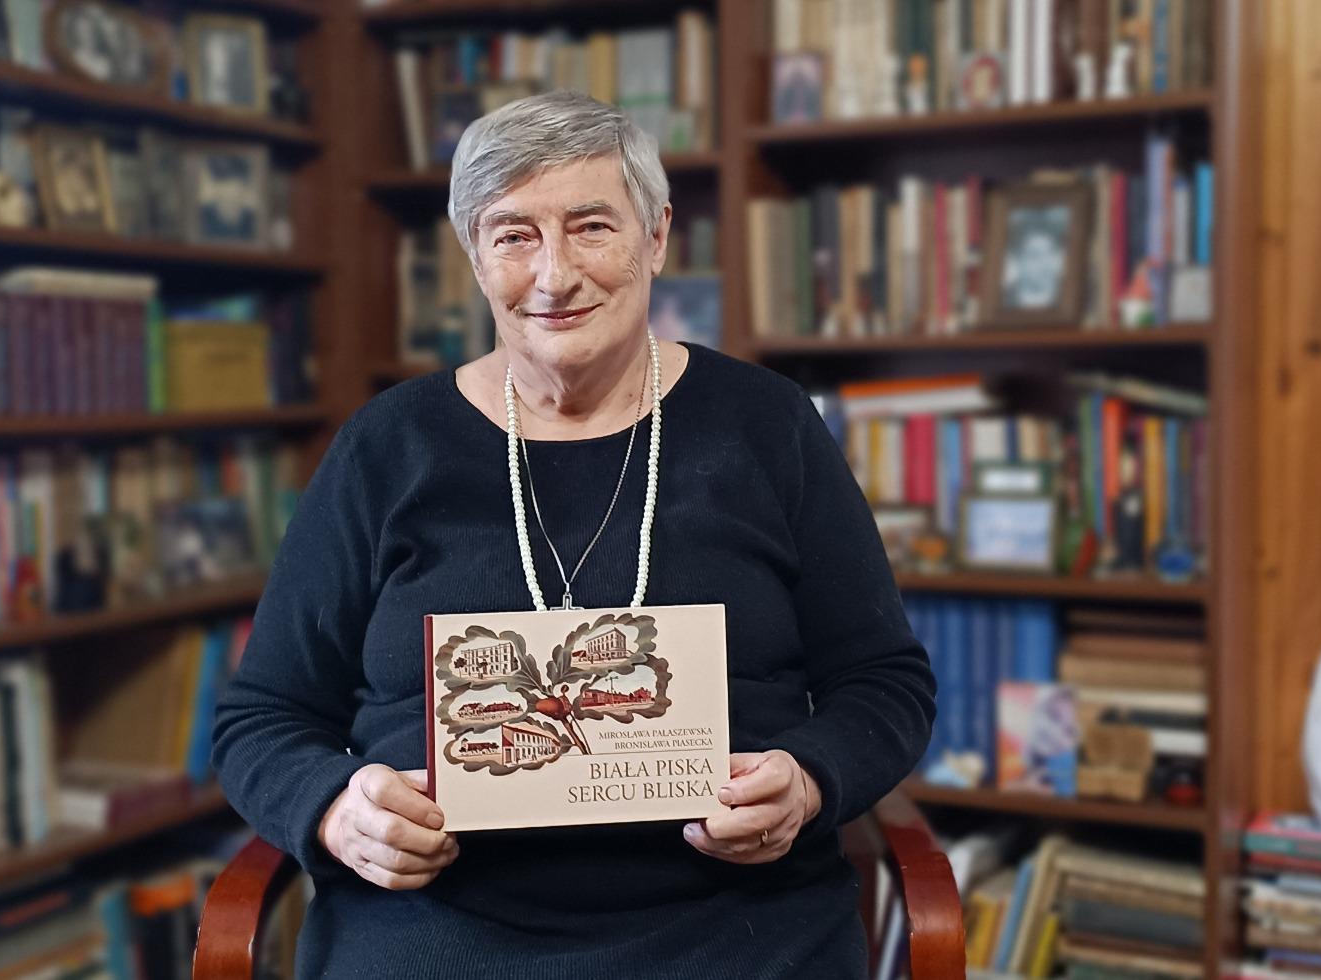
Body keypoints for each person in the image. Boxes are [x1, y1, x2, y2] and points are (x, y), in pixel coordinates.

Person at [212, 90, 936, 979]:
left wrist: (814, 778)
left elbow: (884, 682)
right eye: (513, 235)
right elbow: (263, 716)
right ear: (475, 258)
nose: (553, 275)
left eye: (591, 227)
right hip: (438, 930)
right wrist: (331, 810)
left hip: (735, 930)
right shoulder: (387, 445)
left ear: (657, 238)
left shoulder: (767, 425)